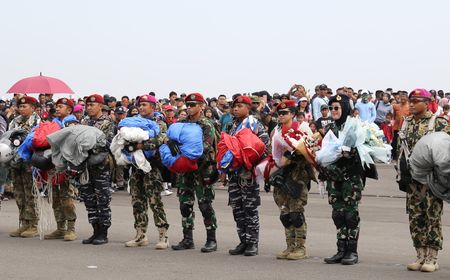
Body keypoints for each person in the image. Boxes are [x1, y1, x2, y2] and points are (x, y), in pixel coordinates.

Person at [399, 89, 450, 272]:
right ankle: (419, 255)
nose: (411, 103)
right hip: (412, 180)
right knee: (415, 217)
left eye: (416, 100)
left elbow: (445, 149)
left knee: (432, 216)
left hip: (432, 180)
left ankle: (432, 257)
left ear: (427, 103)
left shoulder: (438, 122)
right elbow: (401, 149)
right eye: (410, 100)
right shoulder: (406, 122)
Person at [320, 94, 364, 265]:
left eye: (336, 108)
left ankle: (352, 251)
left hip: (350, 178)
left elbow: (363, 151)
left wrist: (350, 152)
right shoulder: (330, 127)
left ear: (345, 108)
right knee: (338, 214)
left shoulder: (354, 126)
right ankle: (341, 249)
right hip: (334, 178)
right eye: (331, 108)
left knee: (350, 215)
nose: (333, 111)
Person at [171, 93, 218, 253]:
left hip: (202, 169)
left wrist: (184, 149)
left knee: (205, 205)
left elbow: (205, 146)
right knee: (185, 205)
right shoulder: (182, 123)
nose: (189, 108)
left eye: (193, 105)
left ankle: (211, 239)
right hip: (185, 170)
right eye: (188, 105)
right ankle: (187, 238)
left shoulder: (206, 124)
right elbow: (173, 140)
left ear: (201, 106)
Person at [269, 100, 315, 260]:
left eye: (285, 113)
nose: (281, 116)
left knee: (296, 213)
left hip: (298, 175)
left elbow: (311, 149)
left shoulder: (302, 128)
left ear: (293, 114)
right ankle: (290, 246)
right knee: (285, 214)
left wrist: (291, 156)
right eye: (279, 113)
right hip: (283, 175)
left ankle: (300, 247)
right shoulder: (277, 130)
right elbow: (273, 151)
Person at [124, 94, 170, 249]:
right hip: (136, 165)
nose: (142, 107)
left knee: (155, 201)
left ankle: (163, 235)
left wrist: (140, 145)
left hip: (152, 166)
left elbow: (161, 139)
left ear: (153, 107)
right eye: (140, 104)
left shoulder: (159, 122)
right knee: (137, 201)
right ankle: (140, 235)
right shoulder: (133, 121)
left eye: (145, 104)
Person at [227, 96, 270, 256]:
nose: (236, 109)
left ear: (248, 107)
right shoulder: (232, 125)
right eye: (234, 106)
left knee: (249, 209)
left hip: (248, 173)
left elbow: (265, 147)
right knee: (237, 208)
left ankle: (252, 243)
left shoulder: (254, 125)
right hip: (234, 173)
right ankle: (243, 241)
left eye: (239, 106)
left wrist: (250, 160)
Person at [79, 94, 116, 245]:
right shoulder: (84, 122)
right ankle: (95, 230)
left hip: (101, 165)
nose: (89, 108)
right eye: (87, 105)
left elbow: (108, 143)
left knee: (102, 198)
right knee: (88, 198)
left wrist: (89, 144)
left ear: (100, 106)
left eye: (92, 105)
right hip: (85, 165)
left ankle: (103, 232)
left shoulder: (108, 122)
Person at [44, 98, 78, 241]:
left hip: (67, 166)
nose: (57, 109)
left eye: (60, 106)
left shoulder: (72, 124)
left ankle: (71, 228)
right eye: (56, 107)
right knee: (55, 198)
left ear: (69, 110)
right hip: (54, 165)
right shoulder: (53, 123)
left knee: (67, 198)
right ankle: (60, 227)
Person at [9, 96, 41, 238]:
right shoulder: (14, 122)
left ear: (33, 108)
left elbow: (39, 141)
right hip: (16, 162)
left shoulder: (38, 122)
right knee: (19, 193)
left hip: (30, 162)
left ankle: (33, 224)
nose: (21, 109)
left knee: (30, 193)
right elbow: (7, 138)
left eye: (25, 106)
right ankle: (24, 223)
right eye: (20, 107)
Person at [392, 91, 410, 160]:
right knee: (395, 142)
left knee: (404, 143)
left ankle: (403, 157)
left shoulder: (409, 107)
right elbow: (394, 116)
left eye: (404, 98)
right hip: (396, 127)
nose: (402, 99)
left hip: (405, 128)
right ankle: (394, 157)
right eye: (401, 98)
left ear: (407, 98)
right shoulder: (395, 106)